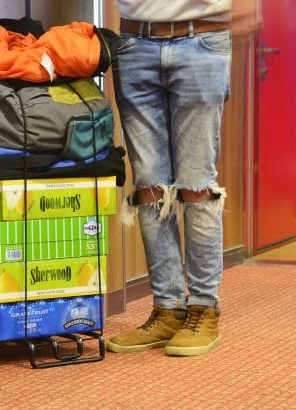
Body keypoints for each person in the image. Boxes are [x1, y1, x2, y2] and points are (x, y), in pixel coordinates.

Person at [106, 0, 257, 356]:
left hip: (201, 39)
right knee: (149, 188)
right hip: (134, 43)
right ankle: (168, 309)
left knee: (196, 185)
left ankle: (204, 309)